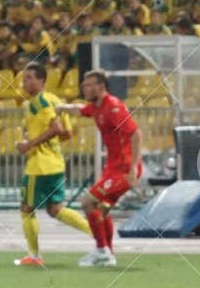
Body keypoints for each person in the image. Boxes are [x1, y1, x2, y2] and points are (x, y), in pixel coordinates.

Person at [13, 64, 93, 267]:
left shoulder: (40, 102)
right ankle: (98, 235)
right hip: (55, 163)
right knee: (56, 209)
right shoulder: (55, 101)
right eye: (24, 78)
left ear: (41, 81)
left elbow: (56, 129)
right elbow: (67, 133)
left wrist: (28, 145)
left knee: (26, 208)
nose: (25, 82)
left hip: (38, 166)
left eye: (30, 78)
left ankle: (33, 255)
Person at [69, 70, 142, 267]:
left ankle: (102, 250)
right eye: (84, 85)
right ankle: (107, 254)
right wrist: (60, 107)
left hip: (124, 168)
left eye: (89, 85)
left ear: (101, 88)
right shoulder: (96, 107)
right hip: (112, 168)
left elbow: (136, 135)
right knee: (100, 210)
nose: (85, 88)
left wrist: (133, 169)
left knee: (87, 202)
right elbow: (79, 110)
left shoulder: (113, 107)